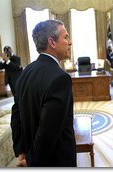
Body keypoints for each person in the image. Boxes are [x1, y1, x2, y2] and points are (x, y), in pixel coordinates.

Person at [11, 19, 77, 167]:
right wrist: (31, 160)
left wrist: (21, 151)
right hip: (55, 160)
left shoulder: (26, 72)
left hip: (31, 154)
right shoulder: (61, 78)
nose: (70, 42)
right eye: (66, 37)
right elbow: (48, 131)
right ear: (51, 42)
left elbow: (16, 114)